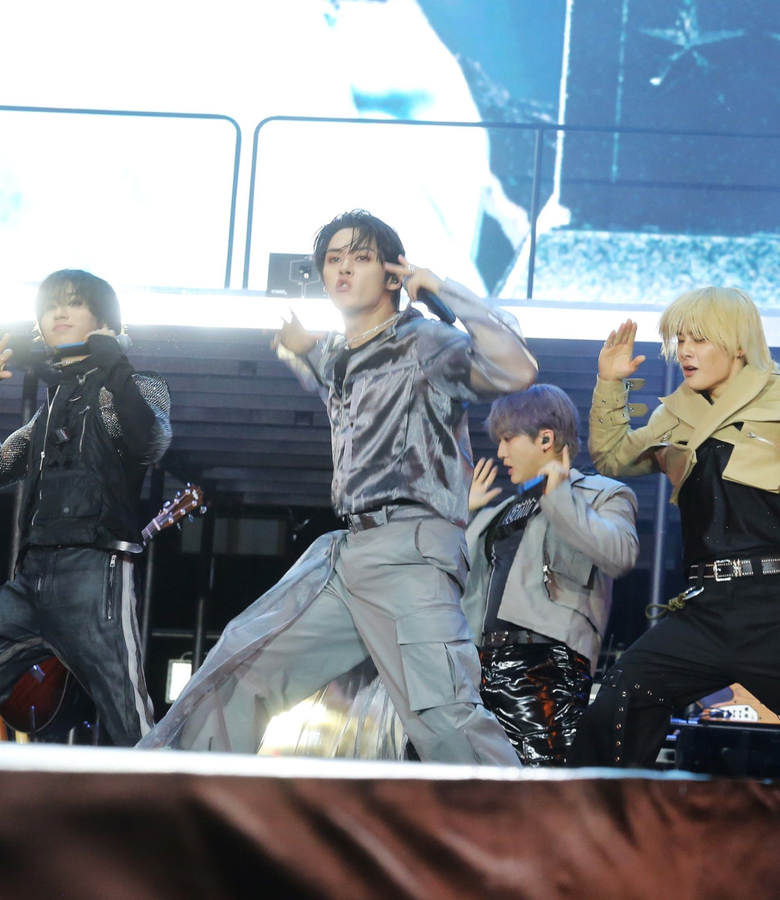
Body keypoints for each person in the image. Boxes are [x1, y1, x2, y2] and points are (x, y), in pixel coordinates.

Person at [142, 210, 536, 764]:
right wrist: (301, 345)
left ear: (393, 275)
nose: (344, 268)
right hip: (348, 555)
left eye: (361, 257)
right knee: (240, 671)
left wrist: (442, 288)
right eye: (333, 259)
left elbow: (515, 368)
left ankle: (522, 820)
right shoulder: (340, 353)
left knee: (443, 715)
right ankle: (181, 803)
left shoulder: (425, 342)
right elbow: (330, 373)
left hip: (410, 552)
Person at [570, 285, 780, 768]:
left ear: (736, 344)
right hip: (703, 608)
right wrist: (610, 383)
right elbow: (611, 457)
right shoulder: (675, 415)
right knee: (620, 703)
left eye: (698, 339)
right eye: (680, 340)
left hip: (777, 608)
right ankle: (599, 816)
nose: (685, 351)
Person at [0, 270, 171, 745]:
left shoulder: (133, 387)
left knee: (127, 714)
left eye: (74, 303)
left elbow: (150, 441)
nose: (59, 312)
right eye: (51, 304)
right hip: (31, 575)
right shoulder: (48, 409)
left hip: (93, 575)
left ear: (103, 320)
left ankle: (165, 791)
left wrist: (115, 363)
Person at [462, 384, 639, 765]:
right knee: (467, 786)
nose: (501, 452)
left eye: (508, 439)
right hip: (478, 665)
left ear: (546, 439)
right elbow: (454, 580)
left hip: (545, 667)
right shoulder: (501, 511)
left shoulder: (602, 494)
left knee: (540, 786)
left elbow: (620, 555)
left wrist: (561, 499)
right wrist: (462, 516)